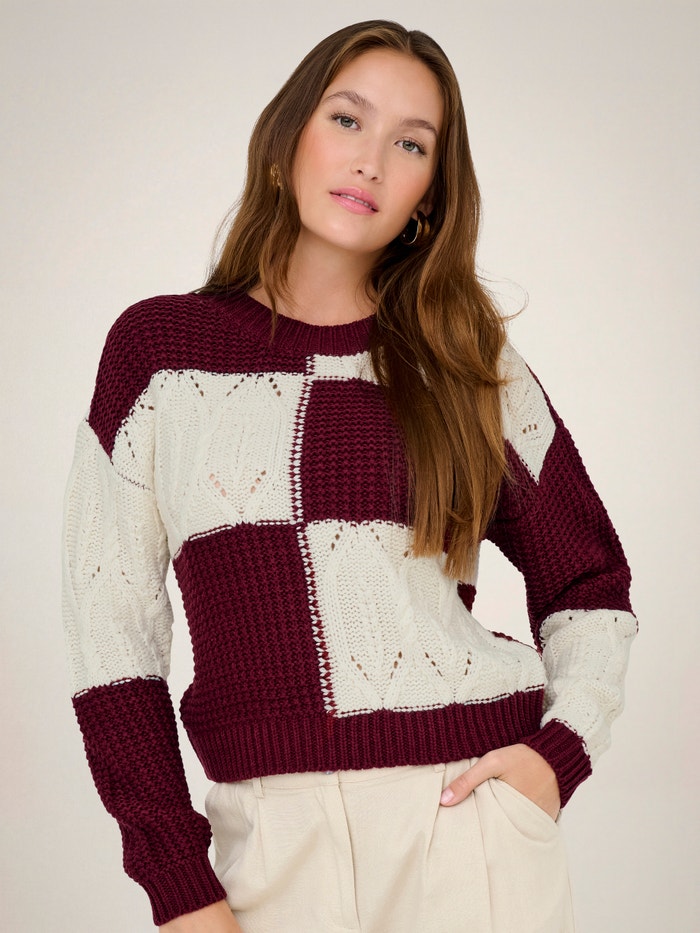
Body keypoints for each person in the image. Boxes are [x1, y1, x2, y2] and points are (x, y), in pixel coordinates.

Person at [62, 19, 637, 933]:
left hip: (469, 831)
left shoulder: (465, 360)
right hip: (266, 850)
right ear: (289, 134)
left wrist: (557, 754)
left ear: (428, 195)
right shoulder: (159, 353)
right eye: (347, 118)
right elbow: (111, 643)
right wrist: (176, 880)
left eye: (411, 144)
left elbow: (591, 582)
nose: (371, 160)